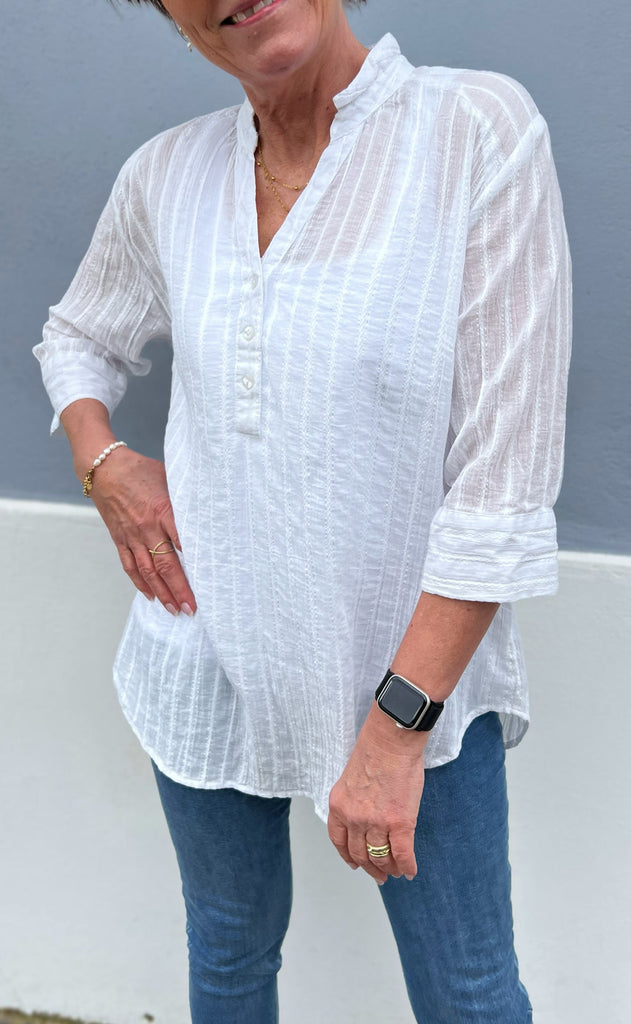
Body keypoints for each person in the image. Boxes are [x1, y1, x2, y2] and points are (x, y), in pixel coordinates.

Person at [34, 0, 572, 1020]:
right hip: (203, 653)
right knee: (229, 957)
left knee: (467, 994)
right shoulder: (167, 173)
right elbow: (77, 336)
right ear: (174, 19)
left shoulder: (474, 132)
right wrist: (106, 463)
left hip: (411, 682)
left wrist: (396, 732)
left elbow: (500, 487)